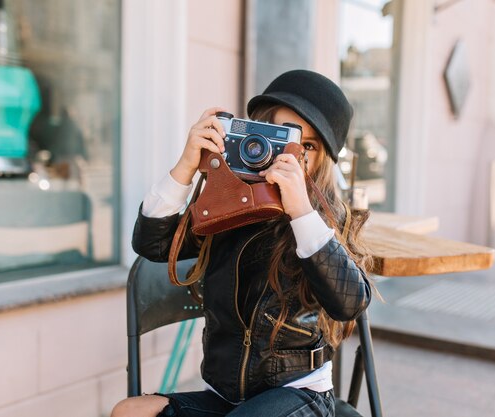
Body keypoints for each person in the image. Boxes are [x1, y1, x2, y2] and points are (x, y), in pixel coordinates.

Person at [111, 69, 374, 417]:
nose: (290, 155)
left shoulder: (321, 220)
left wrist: (300, 212)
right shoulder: (226, 208)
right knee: (128, 412)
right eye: (280, 138)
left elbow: (350, 304)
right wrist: (187, 166)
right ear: (254, 135)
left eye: (306, 146)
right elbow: (152, 245)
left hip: (298, 394)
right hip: (225, 396)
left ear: (323, 158)